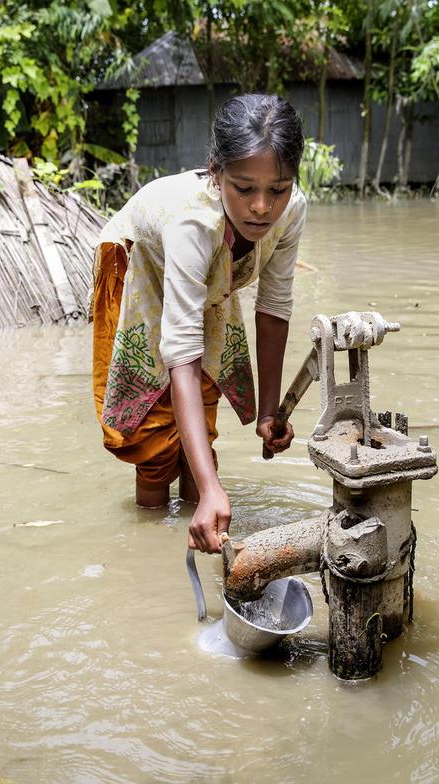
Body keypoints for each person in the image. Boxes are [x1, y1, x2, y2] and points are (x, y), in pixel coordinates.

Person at [90, 94, 307, 554]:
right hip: (139, 260)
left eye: (279, 189)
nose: (262, 208)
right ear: (216, 173)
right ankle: (150, 538)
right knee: (149, 429)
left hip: (212, 271)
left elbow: (274, 305)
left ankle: (200, 497)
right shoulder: (192, 222)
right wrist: (215, 490)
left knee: (206, 393)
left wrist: (269, 413)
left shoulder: (291, 210)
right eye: (244, 188)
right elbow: (181, 352)